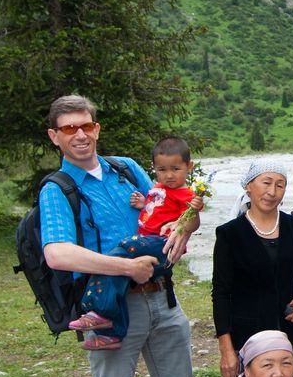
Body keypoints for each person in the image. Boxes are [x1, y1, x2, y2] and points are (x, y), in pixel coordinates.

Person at [39, 95, 196, 377]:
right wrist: (124, 268)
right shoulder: (58, 189)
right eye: (69, 129)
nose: (80, 135)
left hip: (163, 305)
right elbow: (57, 254)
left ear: (97, 127)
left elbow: (169, 210)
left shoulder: (128, 168)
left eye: (86, 125)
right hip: (108, 310)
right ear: (55, 136)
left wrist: (185, 231)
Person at [69, 137, 204, 350]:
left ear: (189, 167)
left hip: (159, 243)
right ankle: (111, 334)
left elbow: (193, 224)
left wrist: (193, 213)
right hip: (147, 240)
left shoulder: (186, 194)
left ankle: (98, 310)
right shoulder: (159, 188)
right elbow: (156, 207)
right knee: (118, 274)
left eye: (176, 169)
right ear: (154, 169)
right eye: (162, 170)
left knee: (116, 255)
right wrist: (144, 204)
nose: (169, 175)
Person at [212, 159, 293, 377]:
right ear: (248, 186)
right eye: (266, 183)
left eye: (280, 185)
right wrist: (226, 349)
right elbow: (221, 293)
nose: (272, 192)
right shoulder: (230, 234)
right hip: (248, 337)